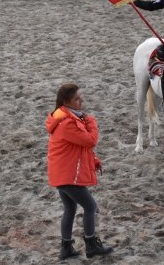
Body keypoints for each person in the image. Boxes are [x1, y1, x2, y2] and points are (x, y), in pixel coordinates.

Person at [46, 83, 114, 260]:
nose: (81, 100)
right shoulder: (68, 123)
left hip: (61, 173)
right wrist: (91, 121)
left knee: (70, 208)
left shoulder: (67, 118)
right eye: (77, 98)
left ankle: (66, 247)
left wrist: (94, 160)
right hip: (67, 175)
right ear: (67, 102)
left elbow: (77, 148)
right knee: (90, 206)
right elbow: (90, 141)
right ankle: (91, 245)